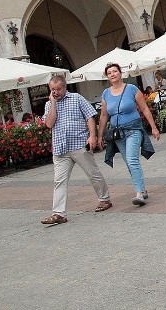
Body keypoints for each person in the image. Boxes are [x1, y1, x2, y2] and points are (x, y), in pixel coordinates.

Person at [40, 75, 111, 225]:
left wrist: (92, 135)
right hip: (61, 148)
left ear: (65, 87)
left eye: (58, 89)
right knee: (59, 181)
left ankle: (104, 199)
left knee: (92, 173)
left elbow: (90, 116)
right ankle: (58, 213)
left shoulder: (76, 98)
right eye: (53, 89)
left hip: (79, 144)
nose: (56, 92)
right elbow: (49, 123)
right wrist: (52, 104)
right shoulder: (49, 105)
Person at [97, 63, 160, 206]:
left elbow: (144, 108)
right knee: (129, 163)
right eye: (109, 73)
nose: (112, 74)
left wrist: (153, 128)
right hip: (118, 133)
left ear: (120, 73)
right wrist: (100, 136)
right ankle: (142, 190)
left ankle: (139, 194)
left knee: (132, 160)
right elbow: (103, 116)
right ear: (107, 77)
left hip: (133, 129)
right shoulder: (106, 93)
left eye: (115, 71)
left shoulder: (131, 89)